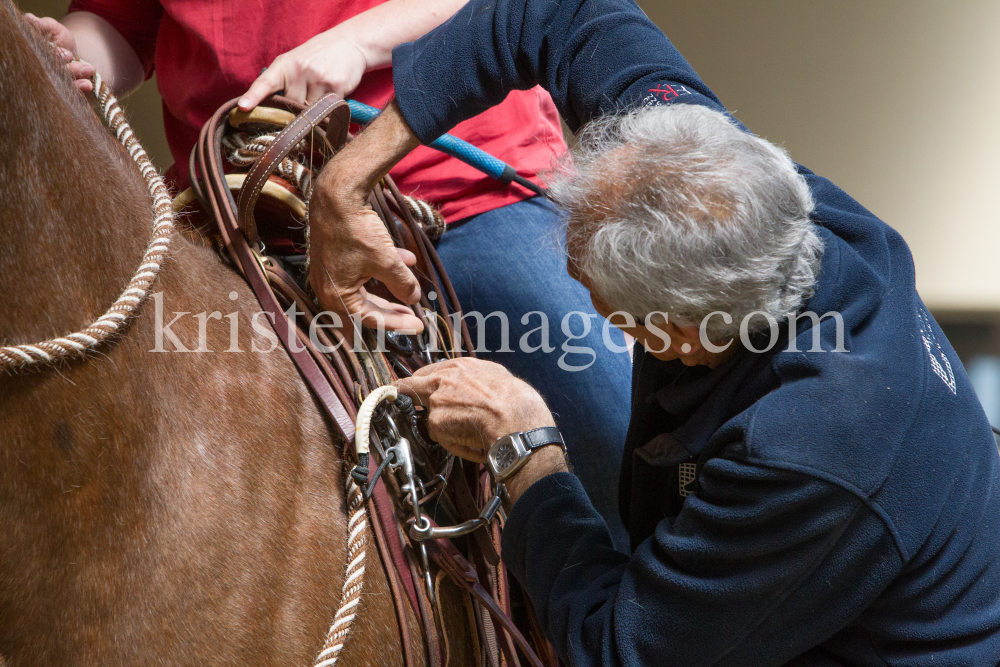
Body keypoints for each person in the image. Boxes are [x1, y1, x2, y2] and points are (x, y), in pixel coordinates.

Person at [315, 0, 1000, 664]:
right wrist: (347, 177)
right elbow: (552, 7)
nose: (577, 282)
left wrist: (524, 446)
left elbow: (620, 648)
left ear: (679, 336)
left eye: (592, 293)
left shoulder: (807, 450)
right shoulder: (720, 169)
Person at [27, 0, 633, 547]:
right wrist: (68, 54)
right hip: (237, 212)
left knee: (621, 449)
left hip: (455, 189)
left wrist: (355, 43)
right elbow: (123, 27)